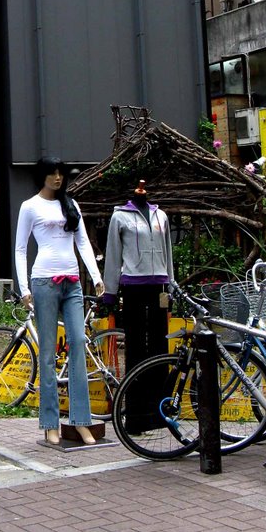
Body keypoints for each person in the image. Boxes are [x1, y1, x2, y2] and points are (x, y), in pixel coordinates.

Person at [15, 157, 104, 446]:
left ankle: (80, 421)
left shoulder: (71, 204)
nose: (57, 178)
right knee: (48, 354)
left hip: (73, 282)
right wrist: (24, 288)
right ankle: (50, 423)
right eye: (51, 173)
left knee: (78, 342)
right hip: (43, 282)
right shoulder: (30, 206)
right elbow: (19, 249)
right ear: (41, 176)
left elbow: (83, 243)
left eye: (60, 174)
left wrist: (96, 276)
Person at [102, 180, 174, 430]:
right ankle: (135, 416)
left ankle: (160, 413)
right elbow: (112, 254)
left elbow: (168, 252)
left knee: (159, 346)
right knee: (135, 348)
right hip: (132, 286)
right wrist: (110, 290)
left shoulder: (161, 215)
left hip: (159, 286)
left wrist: (171, 284)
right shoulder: (120, 217)